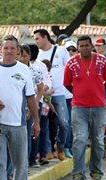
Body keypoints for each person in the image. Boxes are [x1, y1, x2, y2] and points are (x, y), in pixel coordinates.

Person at [0, 36, 40, 180]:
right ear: (0, 49)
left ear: (18, 50)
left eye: (12, 48)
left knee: (20, 162)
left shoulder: (24, 70)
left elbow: (31, 97)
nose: (9, 51)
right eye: (6, 48)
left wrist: (36, 121)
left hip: (18, 123)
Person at [63, 35, 106, 180]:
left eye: (87, 45)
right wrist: (79, 93)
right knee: (80, 139)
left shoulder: (102, 61)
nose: (84, 48)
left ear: (91, 46)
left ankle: (96, 171)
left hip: (99, 107)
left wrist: (97, 92)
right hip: (79, 107)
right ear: (77, 48)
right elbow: (67, 84)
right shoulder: (71, 63)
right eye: (81, 46)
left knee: (98, 141)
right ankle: (78, 173)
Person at [35, 28, 72, 161]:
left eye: (37, 38)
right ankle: (48, 150)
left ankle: (60, 146)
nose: (36, 41)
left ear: (45, 37)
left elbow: (69, 69)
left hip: (59, 93)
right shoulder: (37, 54)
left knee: (64, 123)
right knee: (44, 125)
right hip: (43, 95)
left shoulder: (61, 51)